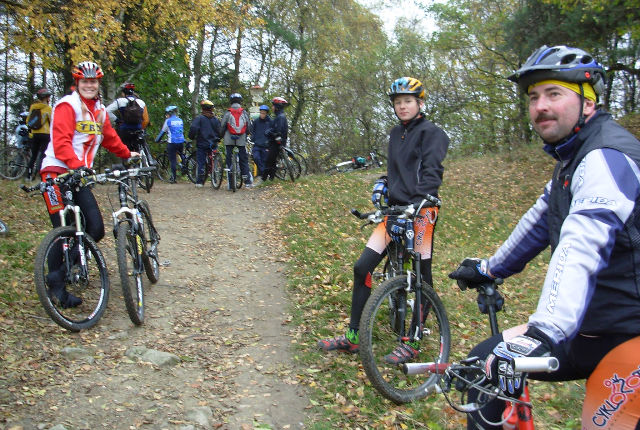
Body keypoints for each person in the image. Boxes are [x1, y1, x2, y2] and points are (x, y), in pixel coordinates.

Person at [448, 45, 640, 429]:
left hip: (628, 334)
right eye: (534, 97)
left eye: (554, 93)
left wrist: (544, 331)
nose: (540, 107)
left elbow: (582, 244)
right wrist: (489, 269)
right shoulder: (572, 159)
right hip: (588, 330)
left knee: (602, 422)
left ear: (588, 102)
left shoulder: (606, 156)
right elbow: (539, 221)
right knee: (483, 366)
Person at [318, 77, 449, 364]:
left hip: (422, 212)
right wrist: (384, 182)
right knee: (362, 267)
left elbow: (431, 173)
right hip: (395, 210)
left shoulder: (433, 133)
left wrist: (417, 206)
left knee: (421, 276)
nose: (402, 106)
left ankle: (413, 341)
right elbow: (397, 171)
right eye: (398, 102)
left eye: (408, 101)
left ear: (420, 103)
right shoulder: (395, 134)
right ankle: (353, 337)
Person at [39, 61, 138, 308]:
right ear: (77, 83)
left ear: (98, 84)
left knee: (95, 227)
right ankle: (56, 288)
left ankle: (64, 271)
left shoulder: (100, 111)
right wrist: (78, 165)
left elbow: (110, 138)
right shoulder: (67, 106)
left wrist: (127, 154)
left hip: (77, 176)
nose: (89, 85)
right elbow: (61, 143)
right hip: (55, 174)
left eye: (93, 81)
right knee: (62, 229)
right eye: (85, 81)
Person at [105, 82, 153, 160]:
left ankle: (127, 161)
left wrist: (117, 120)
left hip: (125, 130)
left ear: (123, 93)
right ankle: (149, 159)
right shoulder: (141, 102)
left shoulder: (120, 101)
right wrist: (142, 127)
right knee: (141, 143)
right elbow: (145, 119)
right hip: (138, 129)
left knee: (124, 147)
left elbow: (106, 111)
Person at [219, 93, 253, 188]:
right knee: (243, 159)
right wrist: (247, 134)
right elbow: (248, 126)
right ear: (240, 102)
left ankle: (230, 183)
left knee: (229, 159)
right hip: (241, 138)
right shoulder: (244, 112)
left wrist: (220, 136)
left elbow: (222, 126)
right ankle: (247, 181)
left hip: (229, 138)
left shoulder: (227, 112)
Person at [188, 99, 221, 187]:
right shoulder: (215, 120)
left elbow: (193, 128)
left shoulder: (199, 118)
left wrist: (191, 137)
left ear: (202, 108)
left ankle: (199, 181)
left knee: (201, 162)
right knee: (213, 158)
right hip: (213, 143)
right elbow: (220, 131)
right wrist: (218, 138)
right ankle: (215, 176)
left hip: (202, 143)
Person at [261, 97, 290, 182]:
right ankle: (271, 178)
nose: (272, 107)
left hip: (276, 142)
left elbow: (278, 131)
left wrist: (268, 132)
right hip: (278, 141)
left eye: (273, 106)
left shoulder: (280, 117)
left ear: (277, 107)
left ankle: (263, 179)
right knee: (272, 161)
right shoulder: (280, 116)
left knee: (269, 160)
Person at [26, 88, 53, 178]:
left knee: (33, 155)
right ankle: (40, 175)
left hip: (35, 134)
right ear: (46, 98)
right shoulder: (48, 108)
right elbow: (52, 121)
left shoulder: (33, 107)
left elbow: (28, 121)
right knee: (43, 155)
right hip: (45, 134)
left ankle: (29, 175)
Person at [155, 105, 185, 183]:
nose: (166, 115)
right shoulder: (180, 120)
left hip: (172, 142)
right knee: (181, 154)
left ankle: (173, 178)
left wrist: (157, 140)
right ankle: (184, 167)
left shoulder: (168, 121)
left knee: (173, 160)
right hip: (181, 141)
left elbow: (162, 133)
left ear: (169, 113)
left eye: (167, 114)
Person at [249, 104, 272, 179]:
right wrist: (252, 138)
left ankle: (263, 176)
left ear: (266, 113)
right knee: (256, 158)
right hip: (257, 144)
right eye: (261, 113)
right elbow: (252, 131)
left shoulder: (270, 122)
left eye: (264, 113)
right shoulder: (256, 121)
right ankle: (264, 174)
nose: (262, 114)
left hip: (266, 145)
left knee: (265, 160)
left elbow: (272, 132)